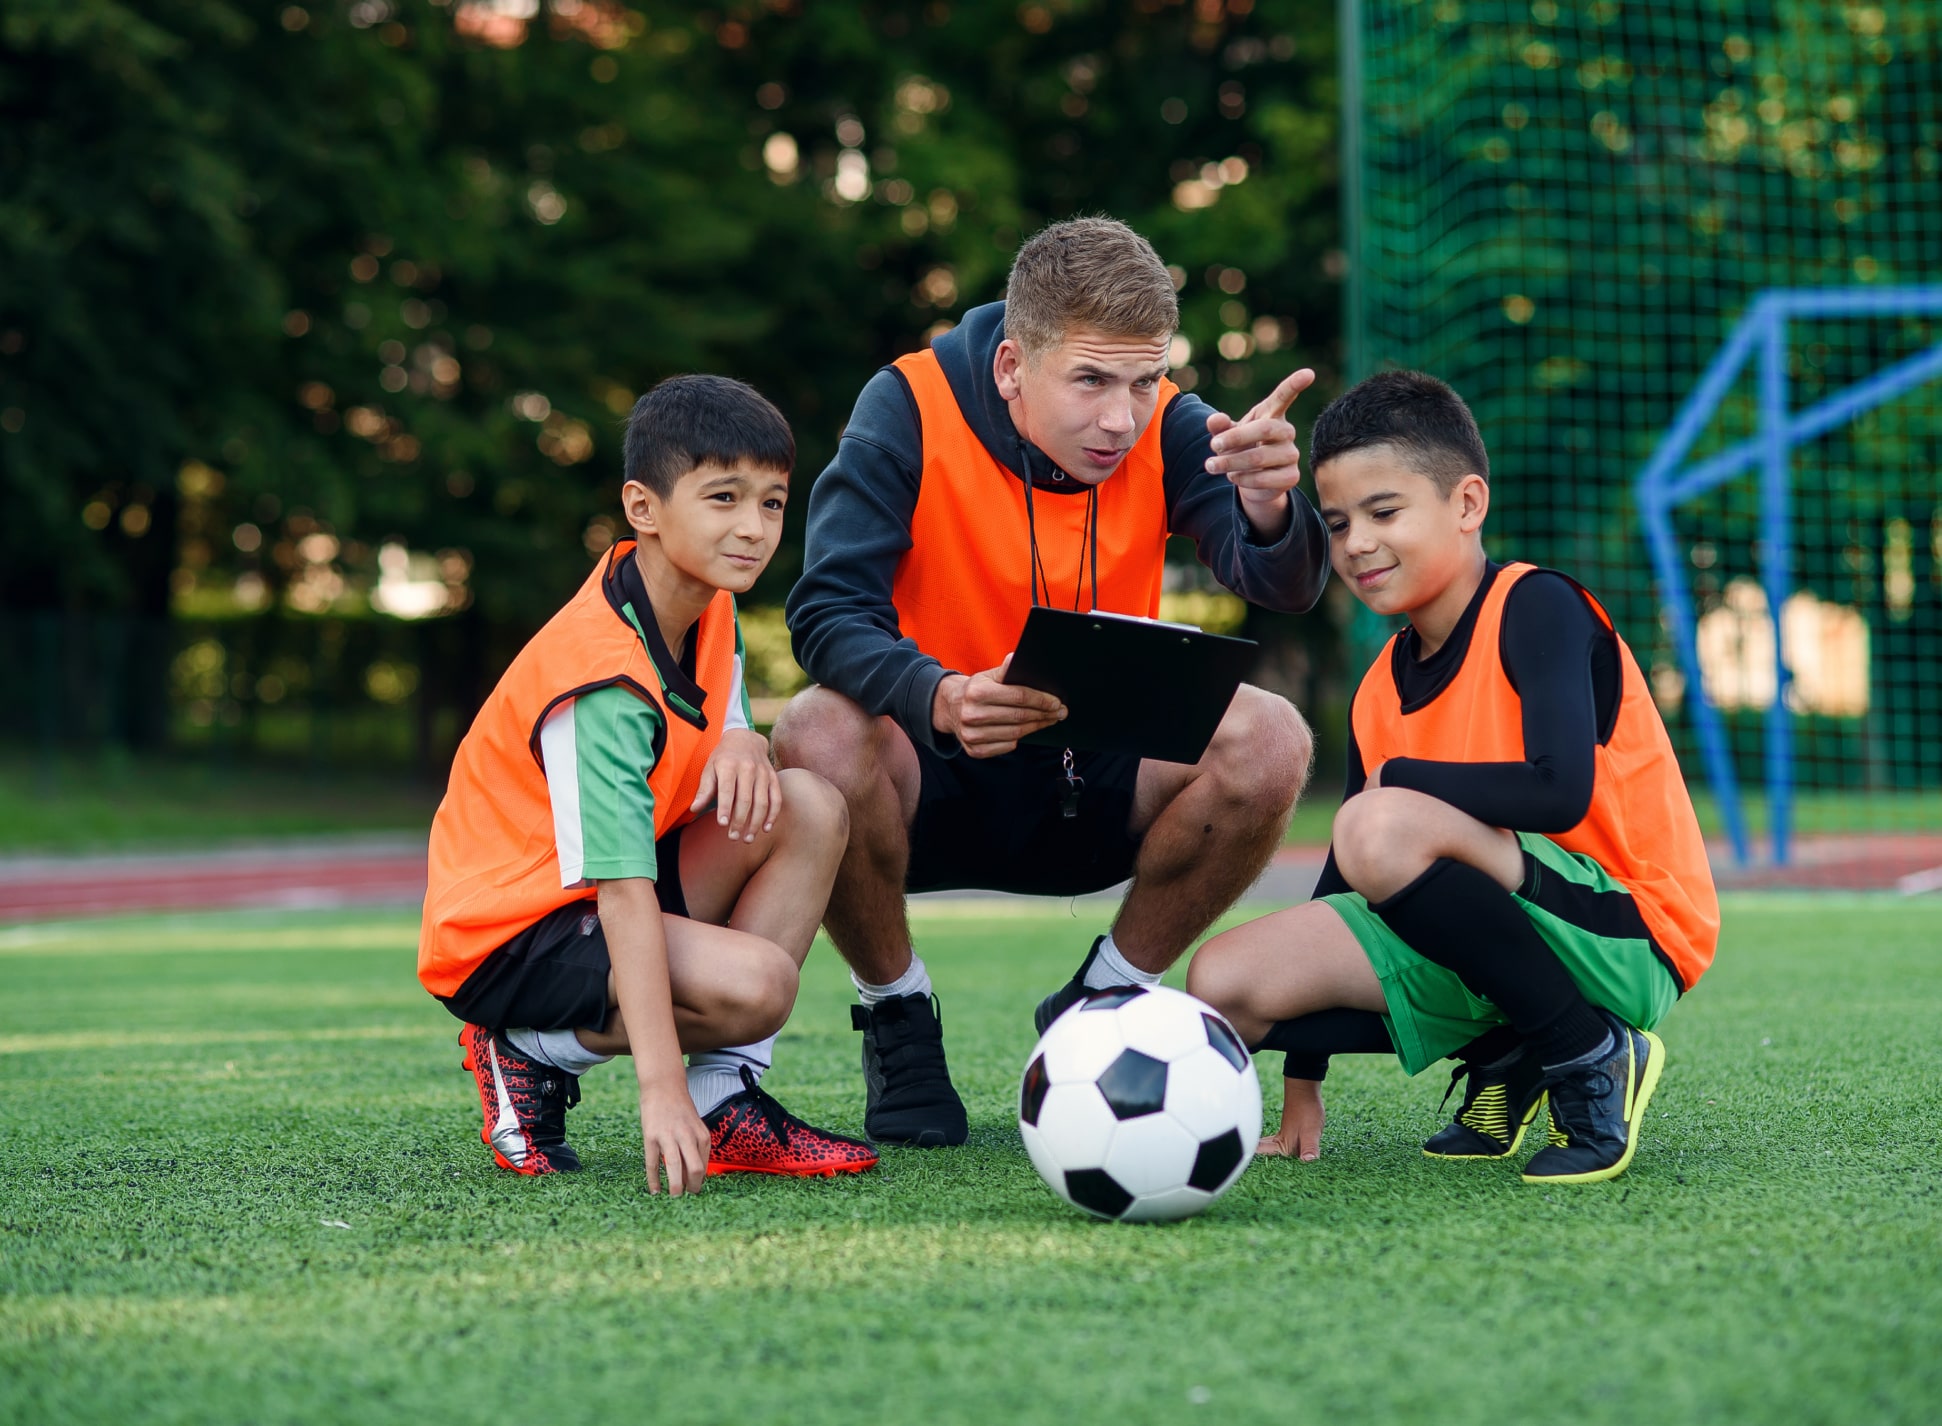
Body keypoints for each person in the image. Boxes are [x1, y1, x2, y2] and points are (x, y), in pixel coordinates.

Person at [775, 216, 1330, 1147]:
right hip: (932, 772)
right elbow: (826, 613)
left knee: (1272, 736)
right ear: (1010, 368)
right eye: (1090, 381)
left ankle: (1108, 997)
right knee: (814, 730)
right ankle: (898, 1013)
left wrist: (1272, 506)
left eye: (1144, 380)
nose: (1122, 417)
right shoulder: (906, 405)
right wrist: (940, 696)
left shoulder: (1174, 424)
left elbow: (1280, 582)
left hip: (1098, 780)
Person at [1186, 369, 1719, 1184]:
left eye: (1384, 511)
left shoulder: (1538, 606)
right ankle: (1513, 1049)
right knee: (1224, 980)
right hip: (1492, 933)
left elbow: (1558, 791)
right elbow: (1345, 885)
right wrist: (1302, 1086)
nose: (1356, 541)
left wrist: (1400, 782)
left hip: (1624, 934)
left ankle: (1587, 1053)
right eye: (1336, 523)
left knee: (1379, 821)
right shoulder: (1377, 688)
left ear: (1468, 505)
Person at [418, 375, 877, 1189]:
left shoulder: (703, 595)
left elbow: (723, 692)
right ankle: (523, 1046)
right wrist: (656, 1091)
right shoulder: (600, 682)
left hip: (585, 903)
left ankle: (724, 1096)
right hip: (508, 933)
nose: (753, 529)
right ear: (643, 508)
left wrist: (742, 736)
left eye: (771, 503)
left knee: (809, 804)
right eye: (724, 497)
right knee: (759, 986)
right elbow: (622, 893)